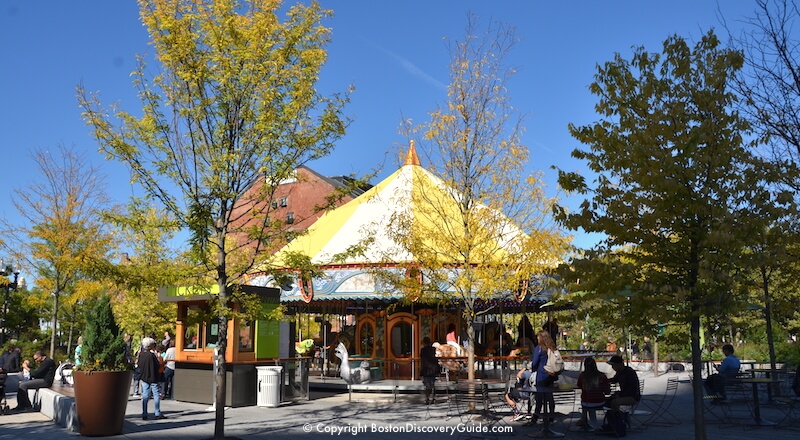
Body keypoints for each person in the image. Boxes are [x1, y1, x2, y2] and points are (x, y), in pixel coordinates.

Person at [531, 330, 559, 421]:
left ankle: (535, 417)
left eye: (538, 337)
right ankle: (551, 416)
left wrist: (533, 369)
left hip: (542, 374)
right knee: (549, 396)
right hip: (551, 374)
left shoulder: (539, 348)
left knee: (539, 398)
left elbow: (534, 363)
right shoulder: (552, 347)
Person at [576, 357, 611, 429]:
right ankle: (589, 423)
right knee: (590, 403)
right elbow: (607, 392)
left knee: (586, 402)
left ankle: (586, 422)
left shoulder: (583, 376)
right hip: (600, 402)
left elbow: (579, 386)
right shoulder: (602, 376)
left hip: (587, 402)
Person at [138, 337, 166, 420]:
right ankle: (157, 412)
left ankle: (144, 413)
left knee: (145, 396)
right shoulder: (152, 356)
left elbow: (139, 365)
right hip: (153, 377)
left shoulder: (141, 355)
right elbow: (157, 365)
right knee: (156, 395)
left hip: (144, 377)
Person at [420, 337, 439, 405]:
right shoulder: (433, 349)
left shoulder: (423, 350)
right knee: (432, 384)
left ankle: (427, 398)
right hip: (433, 369)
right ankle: (433, 398)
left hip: (426, 370)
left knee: (427, 385)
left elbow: (422, 360)